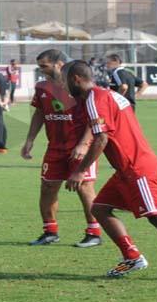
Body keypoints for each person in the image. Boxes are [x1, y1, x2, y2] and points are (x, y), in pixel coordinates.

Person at [63, 60, 157, 282]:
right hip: (126, 169)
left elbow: (102, 137)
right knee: (100, 208)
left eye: (65, 80)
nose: (64, 87)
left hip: (137, 167)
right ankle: (132, 257)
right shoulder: (106, 95)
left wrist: (80, 171)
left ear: (75, 79)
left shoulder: (96, 98)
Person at [21, 50, 102, 248]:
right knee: (47, 187)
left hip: (79, 148)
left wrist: (83, 144)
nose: (41, 70)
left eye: (44, 66)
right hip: (55, 147)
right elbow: (39, 113)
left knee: (84, 187)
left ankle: (94, 232)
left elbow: (95, 119)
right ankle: (50, 231)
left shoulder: (81, 88)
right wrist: (30, 139)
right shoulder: (42, 87)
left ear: (59, 64)